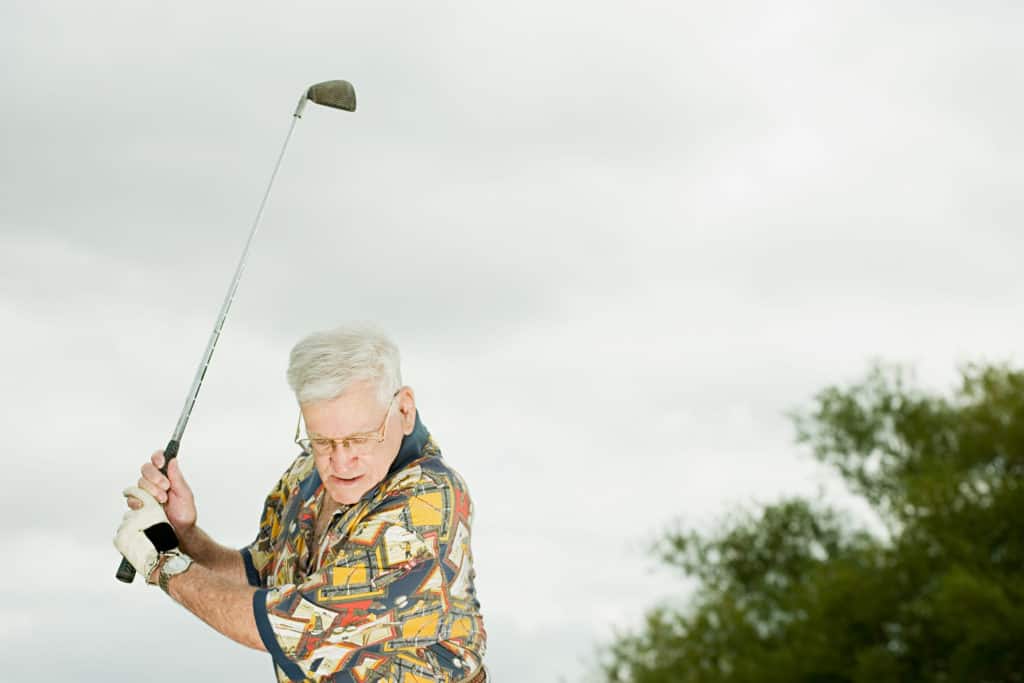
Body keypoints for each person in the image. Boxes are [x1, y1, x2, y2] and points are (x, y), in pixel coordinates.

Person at [114, 325, 488, 682]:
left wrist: (161, 561)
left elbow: (285, 625)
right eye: (322, 440)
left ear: (404, 411)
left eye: (359, 439)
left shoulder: (426, 504)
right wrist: (183, 534)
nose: (340, 463)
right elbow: (258, 578)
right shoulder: (307, 476)